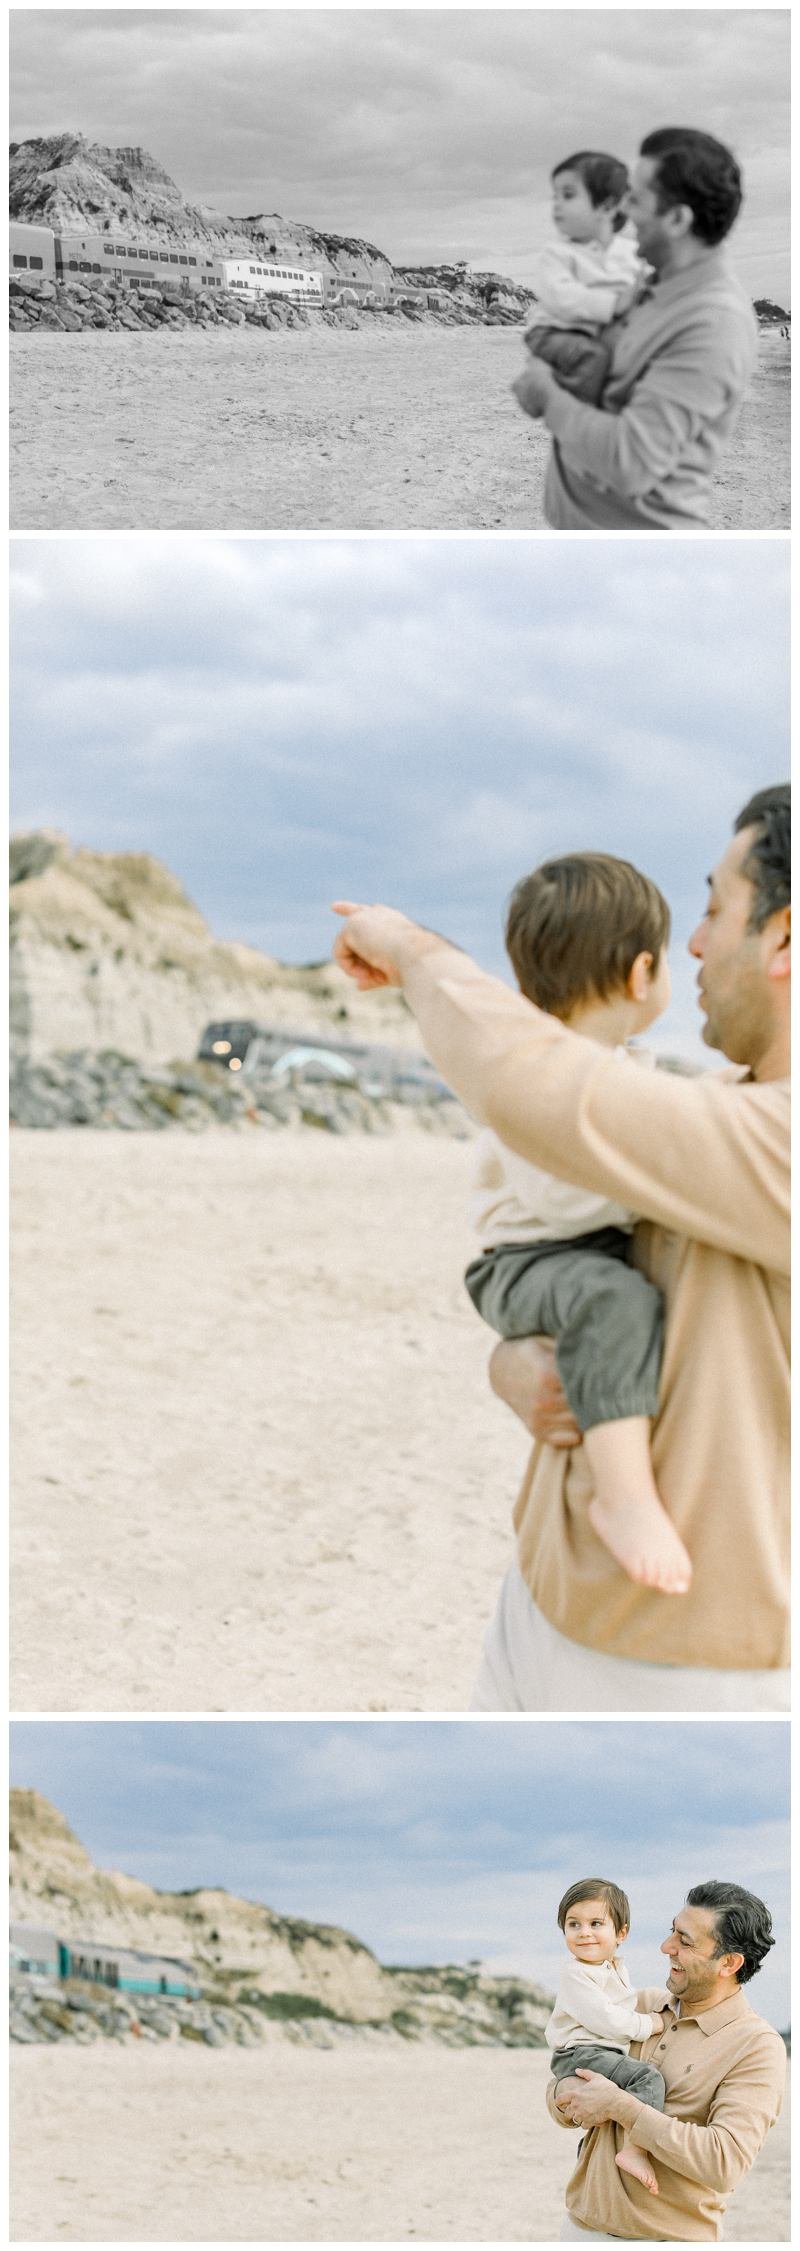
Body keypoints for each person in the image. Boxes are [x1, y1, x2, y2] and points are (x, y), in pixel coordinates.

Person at [331, 783, 790, 1711]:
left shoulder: (771, 1142)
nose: (695, 944)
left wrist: (413, 950)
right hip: (543, 1596)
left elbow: (537, 1084)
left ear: (784, 937)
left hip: (677, 1658)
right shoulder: (718, 1109)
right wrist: (514, 1364)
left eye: (714, 909)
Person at [465, 853, 692, 1595]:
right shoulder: (539, 1072)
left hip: (571, 1250)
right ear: (642, 973)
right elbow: (560, 1202)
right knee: (614, 1297)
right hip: (528, 1259)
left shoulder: (623, 1067)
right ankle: (623, 1498)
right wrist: (664, 1192)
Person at [512, 129, 758, 529]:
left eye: (637, 199)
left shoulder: (713, 322)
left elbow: (631, 464)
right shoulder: (648, 282)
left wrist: (545, 394)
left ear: (676, 219)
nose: (622, 207)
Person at [548, 1880, 785, 2242]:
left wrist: (621, 2107)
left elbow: (724, 2163)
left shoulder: (756, 2046)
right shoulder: (641, 2007)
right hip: (579, 2230)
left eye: (685, 1942)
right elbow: (560, 2084)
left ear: (729, 1963)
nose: (666, 1947)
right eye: (672, 1931)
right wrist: (565, 2092)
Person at [547, 1879, 669, 2198]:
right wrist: (648, 2024)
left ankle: (592, 2157)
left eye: (595, 1923)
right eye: (574, 1924)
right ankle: (636, 2149)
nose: (584, 1932)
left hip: (594, 2051)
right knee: (648, 2079)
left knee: (614, 2099)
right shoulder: (576, 1973)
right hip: (582, 2052)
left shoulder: (611, 1968)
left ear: (621, 1933)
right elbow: (606, 2017)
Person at [523, 151, 643, 404]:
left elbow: (644, 288)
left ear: (607, 207)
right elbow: (561, 297)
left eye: (568, 195)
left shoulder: (631, 252)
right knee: (593, 358)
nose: (557, 204)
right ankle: (569, 405)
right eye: (555, 196)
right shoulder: (556, 254)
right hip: (555, 332)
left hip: (597, 332)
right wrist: (613, 304)